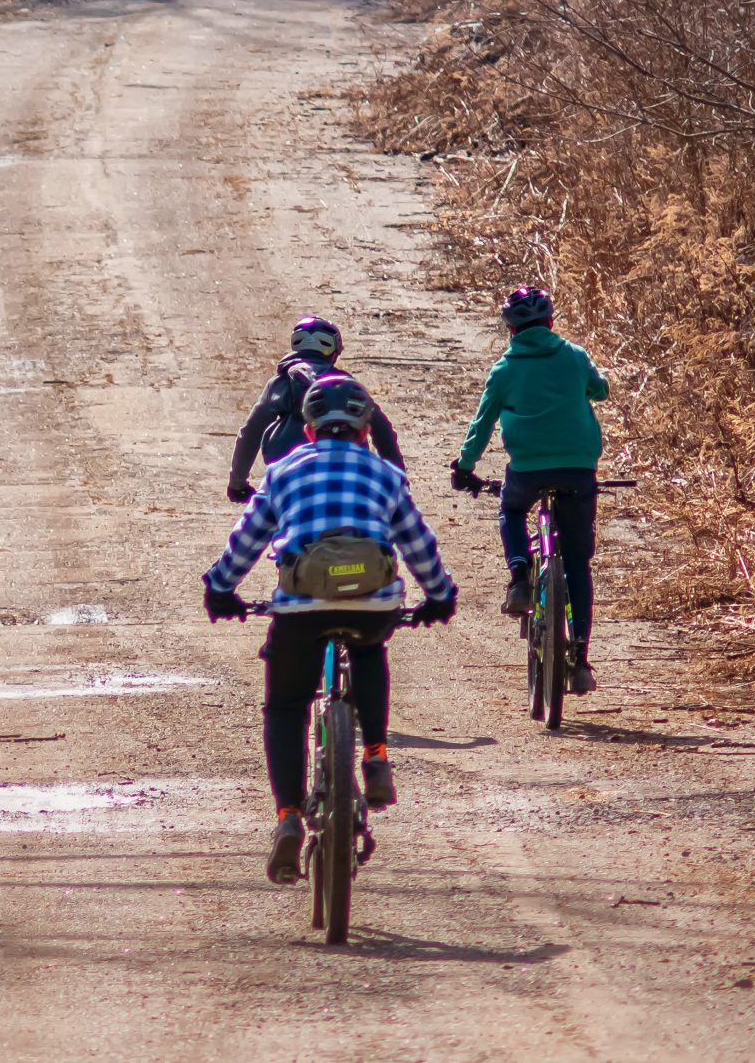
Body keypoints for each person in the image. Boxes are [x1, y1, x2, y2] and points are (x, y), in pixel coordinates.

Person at [204, 376, 456, 885]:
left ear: (309, 427)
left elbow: (247, 541)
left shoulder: (282, 472)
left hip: (301, 606)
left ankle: (289, 817)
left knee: (286, 705)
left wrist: (221, 588)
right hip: (372, 601)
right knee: (368, 651)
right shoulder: (386, 475)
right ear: (365, 427)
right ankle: (375, 755)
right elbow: (417, 543)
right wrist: (439, 595)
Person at [448, 284, 611, 694]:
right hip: (578, 468)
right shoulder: (573, 356)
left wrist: (465, 467)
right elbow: (601, 390)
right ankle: (580, 658)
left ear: (510, 330)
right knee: (577, 563)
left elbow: (481, 425)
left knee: (512, 509)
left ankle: (520, 577)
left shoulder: (505, 371)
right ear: (551, 322)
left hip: (528, 469)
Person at [226, 316, 404, 502]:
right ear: (334, 351)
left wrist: (237, 483)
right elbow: (382, 429)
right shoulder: (346, 385)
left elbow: (252, 430)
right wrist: (397, 480)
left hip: (287, 473)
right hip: (347, 472)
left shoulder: (282, 382)